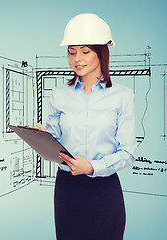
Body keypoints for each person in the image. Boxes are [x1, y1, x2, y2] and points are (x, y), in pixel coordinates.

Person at [34, 13, 136, 240]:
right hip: (67, 189)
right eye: (71, 52)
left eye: (85, 51)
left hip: (104, 191)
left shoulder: (123, 96)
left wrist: (91, 167)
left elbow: (127, 153)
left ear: (101, 52)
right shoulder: (59, 95)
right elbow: (56, 139)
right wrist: (43, 138)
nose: (76, 59)